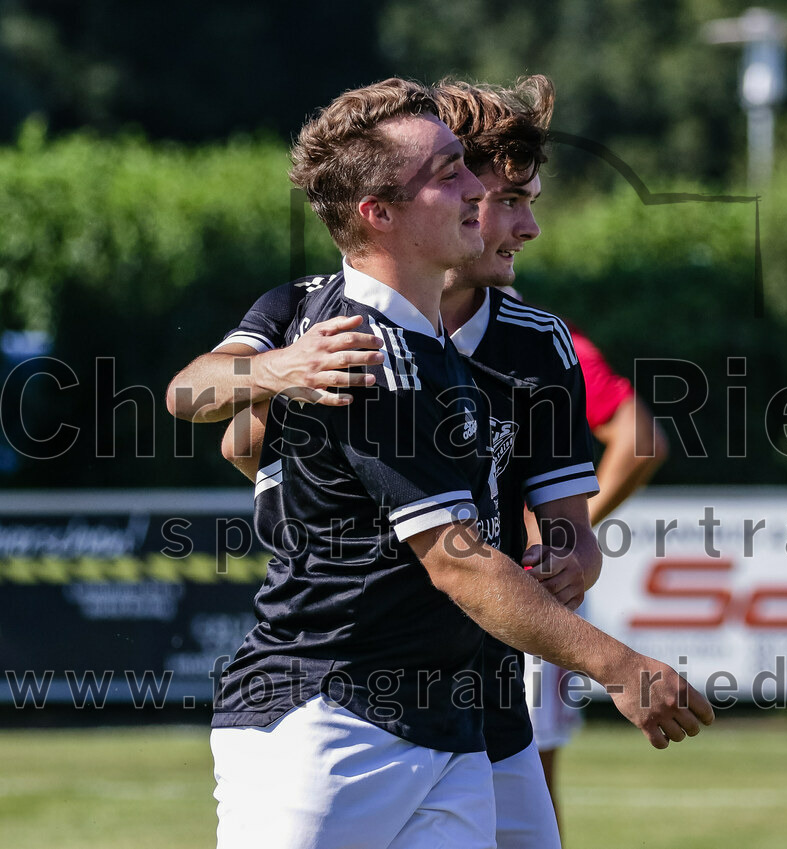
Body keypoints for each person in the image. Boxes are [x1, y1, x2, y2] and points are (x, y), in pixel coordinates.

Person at [168, 78, 713, 849]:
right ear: (384, 212)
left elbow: (540, 534)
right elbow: (201, 405)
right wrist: (275, 376)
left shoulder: (503, 345)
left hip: (468, 706)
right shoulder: (333, 330)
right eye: (488, 189)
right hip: (332, 701)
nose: (522, 222)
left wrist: (564, 555)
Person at [522, 323, 670, 827]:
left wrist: (562, 530)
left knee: (523, 781)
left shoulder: (541, 340)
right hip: (474, 583)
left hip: (528, 587)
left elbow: (641, 440)